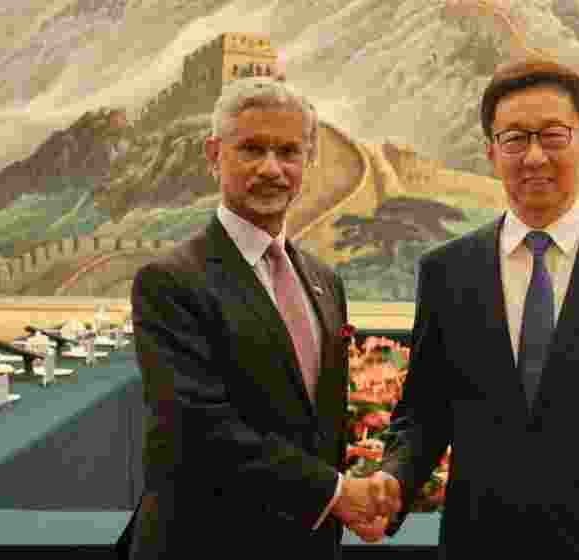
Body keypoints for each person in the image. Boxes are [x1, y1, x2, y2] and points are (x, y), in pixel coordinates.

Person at [375, 59, 579, 556]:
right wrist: (392, 481)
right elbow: (425, 410)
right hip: (478, 544)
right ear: (491, 152)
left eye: (552, 136)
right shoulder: (447, 272)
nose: (533, 157)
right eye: (514, 139)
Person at [116, 77, 399, 559]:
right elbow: (199, 431)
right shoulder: (169, 282)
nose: (272, 168)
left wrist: (354, 498)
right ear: (213, 154)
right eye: (251, 149)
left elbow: (317, 426)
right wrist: (335, 494)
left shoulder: (324, 282)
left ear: (308, 161)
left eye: (288, 151)